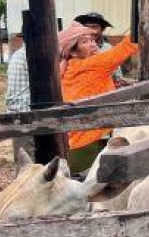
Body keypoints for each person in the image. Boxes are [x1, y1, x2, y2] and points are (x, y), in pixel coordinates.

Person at [58, 23, 138, 173]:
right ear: (73, 51)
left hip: (76, 138)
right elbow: (124, 49)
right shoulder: (91, 64)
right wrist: (140, 27)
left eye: (92, 40)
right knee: (93, 181)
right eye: (85, 42)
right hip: (88, 139)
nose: (92, 44)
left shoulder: (70, 65)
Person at [73, 12, 130, 87]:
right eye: (86, 27)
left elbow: (117, 77)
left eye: (94, 27)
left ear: (102, 29)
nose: (90, 31)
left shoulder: (108, 49)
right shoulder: (75, 48)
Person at [5, 32, 34, 167]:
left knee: (24, 160)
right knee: (27, 163)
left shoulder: (19, 54)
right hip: (26, 114)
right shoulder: (31, 56)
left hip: (19, 112)